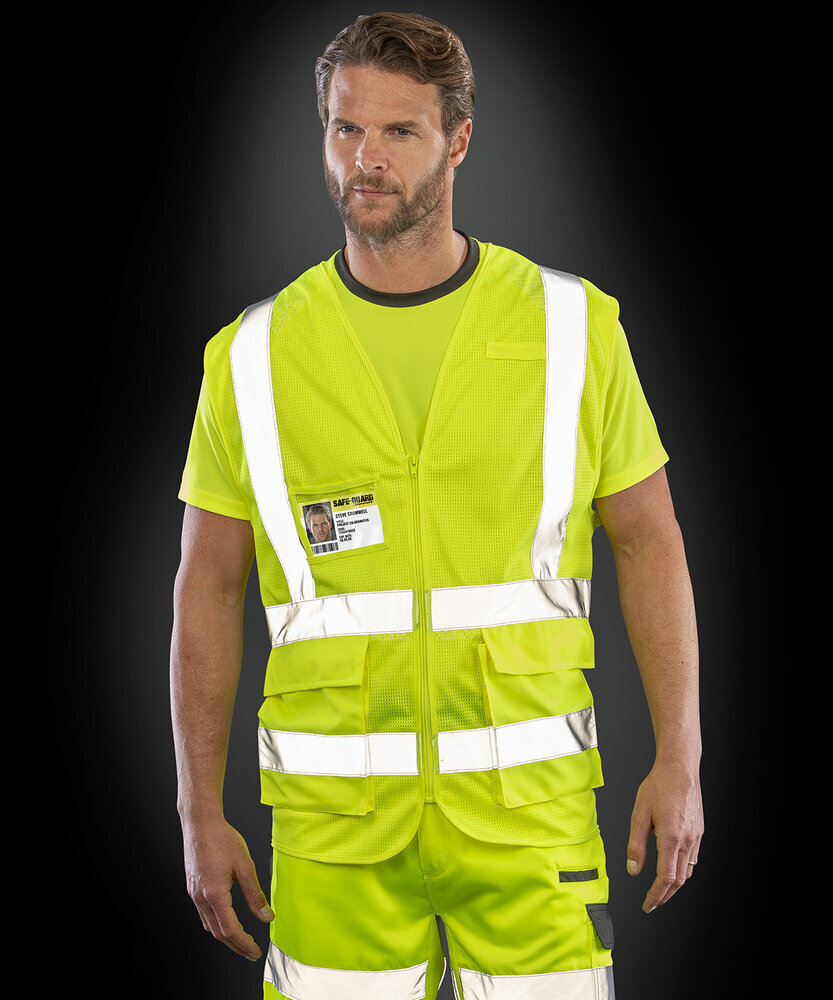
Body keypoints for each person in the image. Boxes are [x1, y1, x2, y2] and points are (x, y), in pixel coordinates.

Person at [170, 12, 703, 999]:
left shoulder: (572, 328)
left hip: (531, 826)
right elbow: (206, 586)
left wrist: (681, 754)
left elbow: (648, 540)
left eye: (398, 132)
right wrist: (197, 809)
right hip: (333, 842)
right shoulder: (250, 357)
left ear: (458, 140)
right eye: (344, 128)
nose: (364, 159)